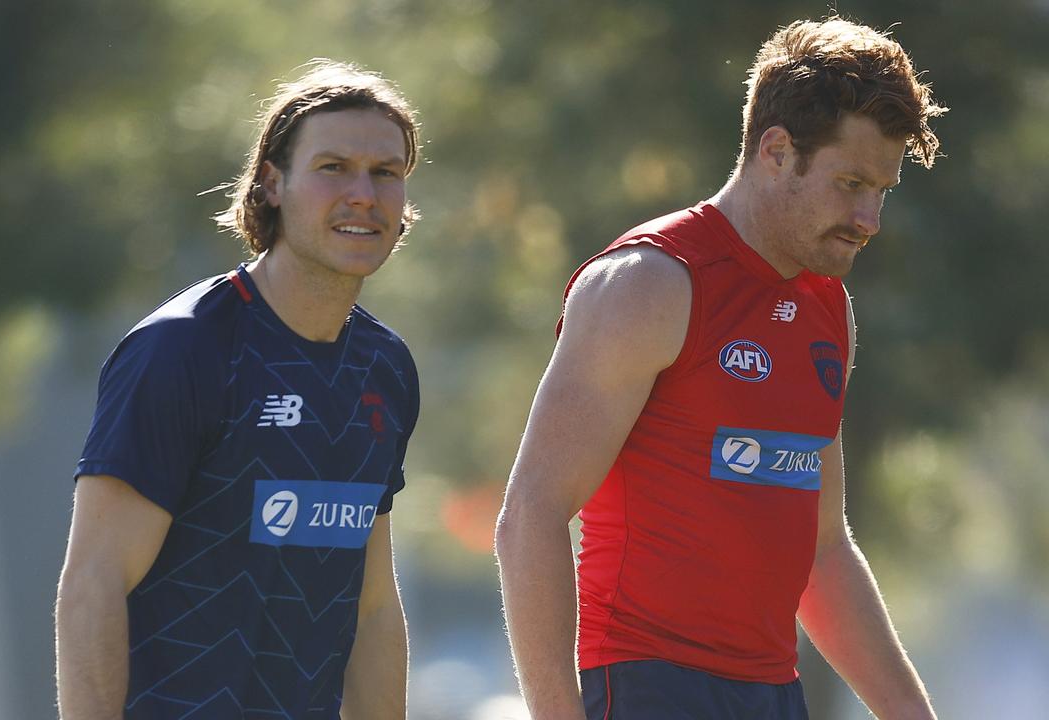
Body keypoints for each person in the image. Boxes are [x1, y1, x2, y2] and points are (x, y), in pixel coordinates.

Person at [495, 17, 946, 720]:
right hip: (647, 687)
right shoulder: (650, 282)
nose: (870, 217)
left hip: (775, 694)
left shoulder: (832, 309)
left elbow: (824, 551)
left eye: (881, 189)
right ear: (775, 151)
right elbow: (531, 514)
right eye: (850, 182)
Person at [55, 60, 422, 720]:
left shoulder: (385, 367)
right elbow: (93, 584)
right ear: (272, 184)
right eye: (333, 166)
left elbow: (371, 606)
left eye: (385, 172)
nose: (363, 193)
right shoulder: (183, 349)